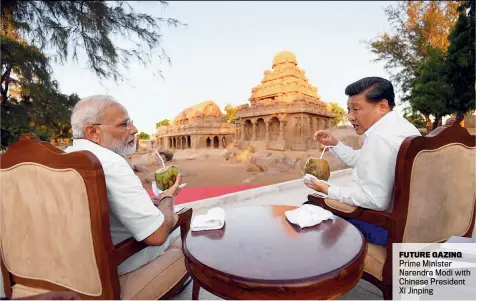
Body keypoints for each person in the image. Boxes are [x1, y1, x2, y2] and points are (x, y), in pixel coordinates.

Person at [64, 95, 182, 275]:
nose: (134, 130)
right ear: (93, 132)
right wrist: (167, 197)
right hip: (113, 263)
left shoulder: (68, 156)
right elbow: (156, 235)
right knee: (182, 227)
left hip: (75, 262)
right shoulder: (110, 162)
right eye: (124, 124)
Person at [305, 77, 421, 246]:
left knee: (311, 207)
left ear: (382, 106)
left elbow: (375, 200)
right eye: (348, 110)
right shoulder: (402, 128)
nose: (350, 117)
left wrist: (326, 189)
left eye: (356, 109)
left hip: (389, 229)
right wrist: (334, 143)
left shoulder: (381, 138)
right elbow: (363, 161)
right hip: (415, 223)